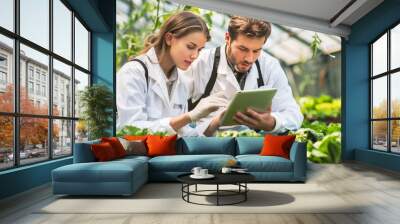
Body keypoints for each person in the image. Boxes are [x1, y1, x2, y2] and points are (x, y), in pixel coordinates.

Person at [183, 16, 303, 135]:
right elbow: (173, 117)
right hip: (208, 144)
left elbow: (294, 115)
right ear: (228, 38)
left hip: (251, 145)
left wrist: (272, 122)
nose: (249, 59)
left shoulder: (270, 66)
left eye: (256, 51)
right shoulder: (200, 62)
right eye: (242, 49)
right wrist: (213, 124)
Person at [116, 11, 227, 136]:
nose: (195, 55)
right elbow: (129, 129)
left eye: (199, 50)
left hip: (166, 154)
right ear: (169, 38)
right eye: (190, 47)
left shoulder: (181, 81)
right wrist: (188, 116)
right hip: (137, 155)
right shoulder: (134, 73)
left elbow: (183, 134)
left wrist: (217, 121)